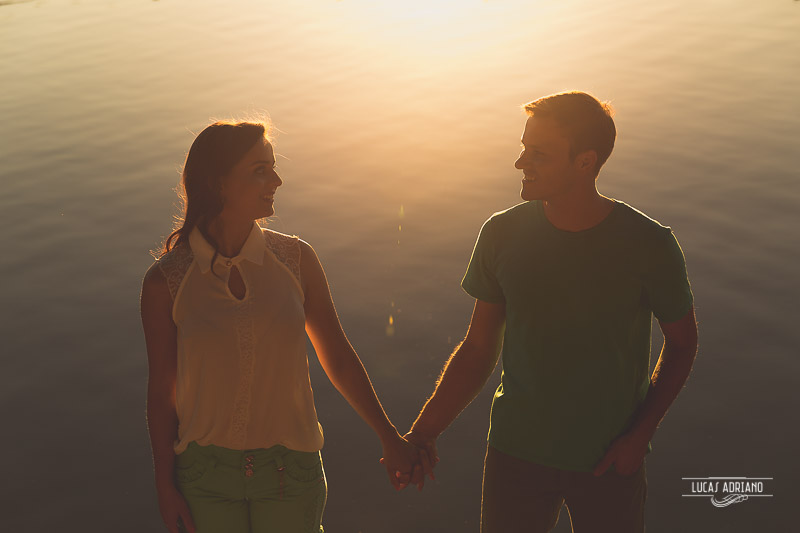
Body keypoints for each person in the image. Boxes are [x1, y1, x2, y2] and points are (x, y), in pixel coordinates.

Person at [402, 91, 698, 532]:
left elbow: (682, 342)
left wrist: (639, 437)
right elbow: (479, 346)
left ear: (585, 162)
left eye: (538, 154)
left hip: (609, 460)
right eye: (524, 149)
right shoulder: (501, 234)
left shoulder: (649, 244)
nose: (521, 163)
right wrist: (422, 434)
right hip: (514, 456)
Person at [140, 119, 431, 533]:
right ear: (218, 182)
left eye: (273, 166)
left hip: (290, 474)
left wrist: (389, 438)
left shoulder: (297, 260)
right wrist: (163, 484)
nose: (276, 179)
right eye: (260, 170)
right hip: (205, 477)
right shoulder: (166, 281)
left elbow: (339, 358)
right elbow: (161, 393)